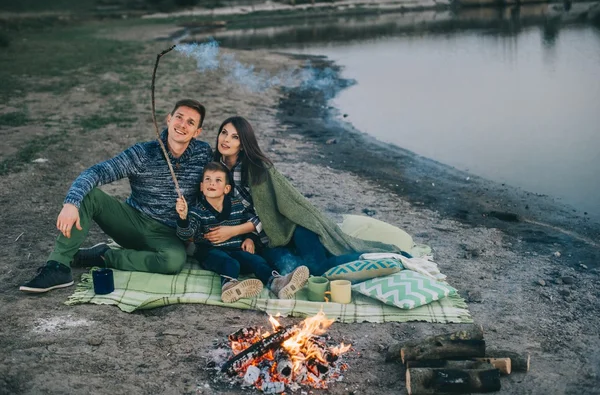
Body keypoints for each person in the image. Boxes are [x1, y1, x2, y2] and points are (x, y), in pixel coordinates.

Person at [20, 99, 213, 293]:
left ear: (197, 132)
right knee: (90, 195)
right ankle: (58, 266)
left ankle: (104, 256)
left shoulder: (203, 153)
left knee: (173, 261)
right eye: (179, 117)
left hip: (169, 234)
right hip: (133, 221)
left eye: (190, 122)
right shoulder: (143, 153)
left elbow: (221, 182)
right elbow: (98, 172)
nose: (182, 125)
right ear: (169, 119)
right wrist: (71, 203)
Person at [208, 116, 400, 277]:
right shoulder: (216, 170)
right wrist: (247, 236)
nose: (226, 140)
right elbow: (239, 212)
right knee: (292, 270)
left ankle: (382, 260)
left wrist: (234, 231)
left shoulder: (258, 169)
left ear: (243, 144)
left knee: (318, 268)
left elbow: (267, 214)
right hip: (268, 240)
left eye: (235, 137)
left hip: (292, 226)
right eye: (224, 133)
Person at [175, 162, 309, 303]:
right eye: (207, 179)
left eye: (217, 180)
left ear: (227, 189)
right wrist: (183, 218)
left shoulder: (236, 205)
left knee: (256, 261)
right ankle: (229, 286)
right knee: (230, 263)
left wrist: (249, 238)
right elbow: (186, 234)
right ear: (202, 187)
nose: (211, 183)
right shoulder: (197, 212)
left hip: (236, 248)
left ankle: (277, 283)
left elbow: (248, 221)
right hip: (210, 252)